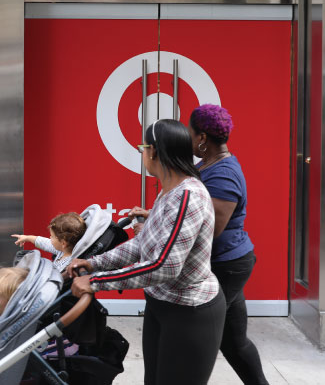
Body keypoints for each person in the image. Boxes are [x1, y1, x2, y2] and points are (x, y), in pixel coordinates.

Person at [66, 119, 225, 385]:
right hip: (161, 304)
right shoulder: (168, 191)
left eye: (143, 146)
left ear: (154, 151)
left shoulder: (188, 197)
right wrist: (95, 264)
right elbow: (141, 245)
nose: (142, 153)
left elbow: (164, 266)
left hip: (189, 313)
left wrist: (95, 282)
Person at [190, 104, 269, 385]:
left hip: (226, 266)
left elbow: (211, 229)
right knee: (234, 343)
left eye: (190, 133)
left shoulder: (223, 174)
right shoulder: (207, 165)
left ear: (201, 138)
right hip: (228, 263)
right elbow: (194, 211)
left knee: (195, 338)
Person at [12, 212, 87, 273]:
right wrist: (27, 238)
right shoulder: (63, 250)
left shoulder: (68, 264)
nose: (50, 238)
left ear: (63, 243)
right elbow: (44, 243)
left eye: (52, 236)